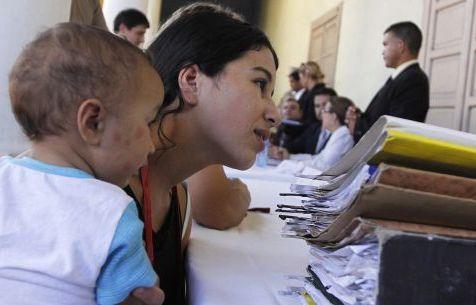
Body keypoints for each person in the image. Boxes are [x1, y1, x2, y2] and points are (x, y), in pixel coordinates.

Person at [125, 3, 280, 304]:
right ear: (192, 81)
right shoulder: (94, 185)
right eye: (260, 84)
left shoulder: (178, 202)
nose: (274, 114)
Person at [0, 23, 164, 305]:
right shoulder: (113, 210)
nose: (152, 144)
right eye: (148, 123)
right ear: (93, 122)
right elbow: (139, 298)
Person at [346, 21, 429, 142]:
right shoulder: (399, 77)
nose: (382, 51)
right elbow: (379, 116)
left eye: (386, 44)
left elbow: (393, 131)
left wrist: (356, 126)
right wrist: (358, 117)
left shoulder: (414, 80)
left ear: (400, 45)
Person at [271, 87, 337, 158]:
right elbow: (294, 147)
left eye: (325, 105)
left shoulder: (341, 130)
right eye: (317, 106)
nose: (321, 109)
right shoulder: (314, 128)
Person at [309, 97, 354, 171]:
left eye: (324, 111)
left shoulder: (343, 135)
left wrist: (294, 166)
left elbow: (325, 166)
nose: (322, 114)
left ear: (334, 116)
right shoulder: (337, 133)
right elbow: (318, 158)